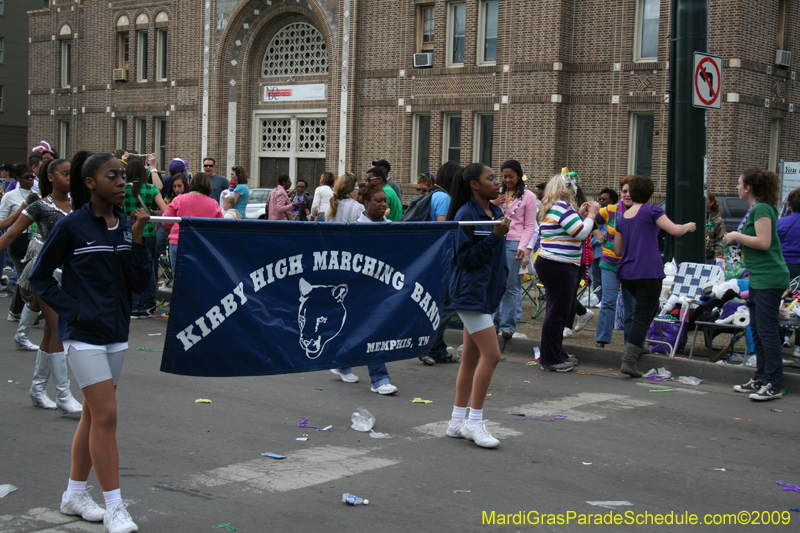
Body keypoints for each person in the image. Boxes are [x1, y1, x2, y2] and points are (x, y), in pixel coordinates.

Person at [29, 151, 152, 533]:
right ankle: (115, 506)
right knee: (107, 415)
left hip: (116, 334)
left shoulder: (123, 226)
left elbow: (140, 284)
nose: (121, 182)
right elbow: (40, 277)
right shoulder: (72, 227)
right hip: (82, 336)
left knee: (92, 414)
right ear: (90, 183)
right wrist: (74, 311)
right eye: (111, 175)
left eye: (122, 175)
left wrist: (137, 239)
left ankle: (73, 494)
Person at [0, 159, 82, 413]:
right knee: (58, 328)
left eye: (72, 174)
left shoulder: (81, 206)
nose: (69, 178)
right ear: (50, 177)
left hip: (71, 276)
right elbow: (12, 233)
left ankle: (37, 389)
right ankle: (64, 394)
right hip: (45, 274)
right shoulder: (39, 206)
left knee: (50, 332)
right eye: (64, 173)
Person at [444, 162, 509, 448]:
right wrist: (495, 236)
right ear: (474, 184)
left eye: (497, 178)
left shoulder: (495, 212)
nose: (497, 183)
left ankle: (457, 421)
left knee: (471, 358)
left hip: (487, 294)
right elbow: (467, 258)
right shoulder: (465, 215)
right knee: (492, 355)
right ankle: (475, 421)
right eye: (491, 178)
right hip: (470, 295)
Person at [615, 175, 696, 378]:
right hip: (648, 271)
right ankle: (629, 359)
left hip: (627, 272)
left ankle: (637, 344)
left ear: (631, 192)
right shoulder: (653, 210)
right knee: (643, 315)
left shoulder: (623, 217)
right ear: (650, 194)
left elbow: (617, 249)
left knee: (647, 310)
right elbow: (674, 230)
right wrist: (688, 226)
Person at [329, 182, 399, 395]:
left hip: (382, 287)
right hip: (359, 288)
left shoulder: (391, 227)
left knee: (354, 326)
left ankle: (341, 362)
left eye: (384, 201)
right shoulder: (355, 229)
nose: (383, 204)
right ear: (365, 203)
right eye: (378, 201)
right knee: (373, 328)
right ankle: (379, 379)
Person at [728, 168, 789, 400]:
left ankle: (773, 383)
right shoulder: (758, 208)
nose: (736, 186)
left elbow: (764, 242)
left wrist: (736, 236)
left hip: (769, 276)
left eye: (739, 182)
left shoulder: (762, 208)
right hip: (758, 276)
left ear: (748, 187)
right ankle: (761, 377)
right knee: (758, 330)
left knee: (767, 330)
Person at [535, 174, 599, 372]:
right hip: (559, 265)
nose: (576, 191)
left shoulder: (553, 206)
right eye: (573, 187)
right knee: (557, 313)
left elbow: (569, 229)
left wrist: (579, 215)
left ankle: (555, 353)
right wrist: (591, 215)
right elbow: (580, 233)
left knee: (558, 312)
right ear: (566, 188)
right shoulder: (561, 207)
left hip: (555, 263)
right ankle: (551, 358)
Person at [490, 160, 537, 339]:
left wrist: (523, 247)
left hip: (514, 242)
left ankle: (508, 326)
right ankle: (492, 324)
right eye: (504, 177)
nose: (507, 180)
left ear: (518, 176)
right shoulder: (498, 193)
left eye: (511, 176)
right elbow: (487, 214)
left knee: (510, 286)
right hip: (496, 239)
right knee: (494, 282)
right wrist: (494, 202)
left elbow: (530, 224)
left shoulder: (529, 196)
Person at [422, 162, 460, 366]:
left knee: (440, 303)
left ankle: (438, 349)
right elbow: (444, 228)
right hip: (442, 258)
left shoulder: (433, 194)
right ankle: (429, 344)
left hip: (433, 257)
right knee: (447, 303)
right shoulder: (444, 198)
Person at [123, 159, 167, 318]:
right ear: (144, 172)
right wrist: (151, 214)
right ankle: (148, 304)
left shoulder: (123, 189)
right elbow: (165, 211)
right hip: (148, 232)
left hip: (128, 232)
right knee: (148, 268)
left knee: (130, 268)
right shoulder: (151, 189)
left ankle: (134, 305)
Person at [595, 179, 635, 348]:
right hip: (610, 260)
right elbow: (591, 222)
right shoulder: (609, 210)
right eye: (624, 191)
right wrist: (600, 236)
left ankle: (631, 343)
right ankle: (602, 340)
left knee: (631, 306)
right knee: (608, 301)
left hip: (631, 263)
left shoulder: (642, 212)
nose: (627, 195)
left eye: (631, 191)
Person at [162, 173, 224, 270]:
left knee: (178, 278)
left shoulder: (179, 199)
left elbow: (166, 221)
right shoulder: (213, 204)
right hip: (202, 244)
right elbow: (221, 225)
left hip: (178, 242)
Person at [0, 169, 36, 325]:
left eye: (32, 177)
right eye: (26, 177)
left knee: (25, 276)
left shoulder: (37, 195)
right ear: (18, 178)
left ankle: (15, 311)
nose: (30, 180)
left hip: (33, 240)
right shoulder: (10, 196)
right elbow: (3, 221)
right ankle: (32, 307)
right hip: (16, 240)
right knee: (24, 275)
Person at [706, 191, 726, 265]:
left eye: (705, 199)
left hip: (709, 257)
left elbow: (719, 240)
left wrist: (718, 256)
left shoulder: (717, 220)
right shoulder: (696, 216)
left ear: (711, 203)